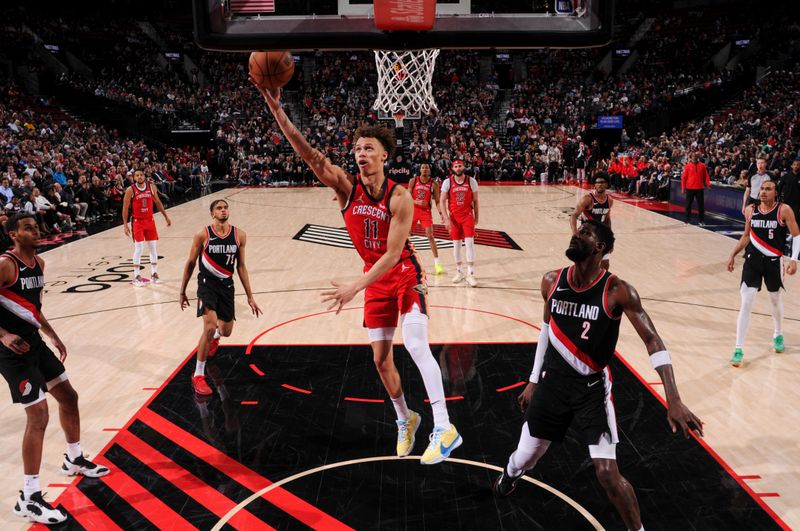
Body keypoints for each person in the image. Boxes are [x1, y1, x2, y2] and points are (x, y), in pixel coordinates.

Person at [252, 79, 461, 465]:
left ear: (385, 156)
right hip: (373, 278)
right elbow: (310, 155)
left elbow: (394, 254)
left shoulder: (400, 197)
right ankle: (406, 419)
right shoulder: (346, 189)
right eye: (357, 148)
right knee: (381, 361)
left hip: (403, 273)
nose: (360, 153)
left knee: (415, 344)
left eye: (368, 148)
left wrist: (353, 287)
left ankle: (444, 427)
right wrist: (277, 108)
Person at [493, 219, 703, 531]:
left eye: (585, 233)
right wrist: (534, 380)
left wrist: (673, 398)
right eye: (577, 231)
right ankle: (510, 474)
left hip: (590, 389)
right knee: (524, 458)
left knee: (607, 473)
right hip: (552, 385)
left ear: (599, 247)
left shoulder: (617, 291)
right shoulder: (551, 280)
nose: (576, 235)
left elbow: (653, 341)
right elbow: (546, 332)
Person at [0, 213, 109, 525]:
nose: (36, 230)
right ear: (13, 235)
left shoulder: (40, 265)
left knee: (69, 397)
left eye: (36, 226)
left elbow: (32, 309)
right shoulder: (6, 264)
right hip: (11, 351)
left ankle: (73, 459)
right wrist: (4, 335)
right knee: (38, 417)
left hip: (34, 342)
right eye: (28, 227)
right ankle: (28, 497)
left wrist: (53, 336)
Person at [179, 199, 261, 395]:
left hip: (227, 286)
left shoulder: (239, 235)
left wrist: (250, 296)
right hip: (206, 285)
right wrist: (182, 291)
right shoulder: (203, 235)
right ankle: (198, 375)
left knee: (226, 331)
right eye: (219, 208)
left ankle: (216, 338)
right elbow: (191, 262)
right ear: (212, 213)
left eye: (225, 207)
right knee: (209, 326)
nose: (223, 211)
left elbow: (241, 266)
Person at [727, 181, 799, 367]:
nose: (764, 192)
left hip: (774, 262)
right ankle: (738, 348)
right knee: (746, 302)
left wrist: (793, 259)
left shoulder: (784, 210)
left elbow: (797, 236)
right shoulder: (751, 210)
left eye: (768, 189)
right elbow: (745, 236)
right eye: (762, 189)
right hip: (752, 261)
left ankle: (778, 334)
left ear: (776, 192)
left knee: (775, 299)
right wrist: (733, 254)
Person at [122, 169, 171, 287]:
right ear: (134, 178)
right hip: (137, 222)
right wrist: (125, 225)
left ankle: (154, 273)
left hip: (150, 220)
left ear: (144, 176)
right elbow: (125, 207)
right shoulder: (130, 190)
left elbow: (158, 202)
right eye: (137, 175)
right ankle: (137, 276)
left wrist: (166, 217)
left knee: (153, 248)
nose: (139, 177)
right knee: (139, 248)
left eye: (141, 175)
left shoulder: (151, 187)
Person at [441, 160, 480, 287]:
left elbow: (476, 201)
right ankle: (459, 272)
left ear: (464, 167)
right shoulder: (447, 182)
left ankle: (470, 274)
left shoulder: (471, 181)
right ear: (452, 168)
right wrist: (446, 219)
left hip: (467, 216)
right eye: (456, 166)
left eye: (460, 166)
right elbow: (442, 201)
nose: (458, 168)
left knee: (470, 244)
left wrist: (477, 218)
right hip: (453, 218)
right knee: (456, 245)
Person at [570, 172, 613, 269]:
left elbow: (607, 219)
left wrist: (610, 238)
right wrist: (574, 232)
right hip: (587, 236)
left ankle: (600, 283)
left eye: (602, 182)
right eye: (597, 182)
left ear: (607, 184)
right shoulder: (588, 199)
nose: (599, 184)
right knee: (584, 264)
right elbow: (574, 215)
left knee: (605, 264)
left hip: (600, 235)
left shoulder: (610, 201)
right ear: (594, 184)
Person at [408, 163, 445, 276]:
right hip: (413, 210)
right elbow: (407, 197)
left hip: (425, 212)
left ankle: (437, 264)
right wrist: (416, 202)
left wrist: (441, 213)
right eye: (423, 168)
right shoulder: (413, 181)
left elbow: (438, 201)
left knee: (430, 235)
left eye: (426, 168)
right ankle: (404, 262)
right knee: (406, 236)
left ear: (429, 170)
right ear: (419, 170)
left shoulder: (433, 184)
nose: (424, 169)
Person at [680, 152, 710, 225]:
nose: (694, 157)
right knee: (688, 205)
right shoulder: (687, 166)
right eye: (693, 156)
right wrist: (683, 188)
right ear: (691, 157)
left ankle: (701, 221)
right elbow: (684, 178)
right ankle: (687, 220)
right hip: (689, 188)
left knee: (701, 205)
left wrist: (708, 185)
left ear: (698, 157)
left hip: (699, 188)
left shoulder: (702, 166)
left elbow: (706, 176)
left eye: (696, 156)